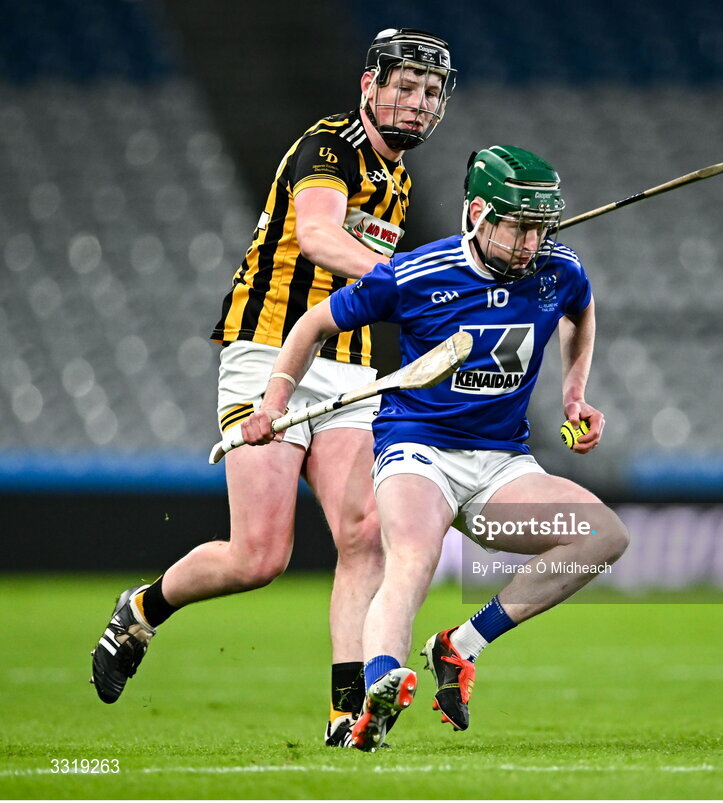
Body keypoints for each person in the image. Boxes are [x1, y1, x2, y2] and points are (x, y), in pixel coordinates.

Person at [90, 28, 457, 748]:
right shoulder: (329, 148)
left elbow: (369, 284)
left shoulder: (401, 181)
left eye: (431, 93)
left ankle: (346, 713)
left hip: (347, 358)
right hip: (265, 348)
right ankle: (141, 608)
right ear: (369, 86)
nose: (417, 104)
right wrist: (410, 279)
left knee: (364, 534)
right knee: (259, 556)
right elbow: (318, 236)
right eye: (405, 87)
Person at [241, 145, 630, 751]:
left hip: (501, 463)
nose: (530, 245)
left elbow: (580, 309)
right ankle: (376, 693)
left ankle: (461, 646)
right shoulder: (415, 274)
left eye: (539, 229)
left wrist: (574, 397)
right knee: (413, 559)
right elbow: (312, 325)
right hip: (417, 452)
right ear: (476, 212)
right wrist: (272, 403)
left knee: (602, 536)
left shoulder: (560, 269)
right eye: (517, 228)